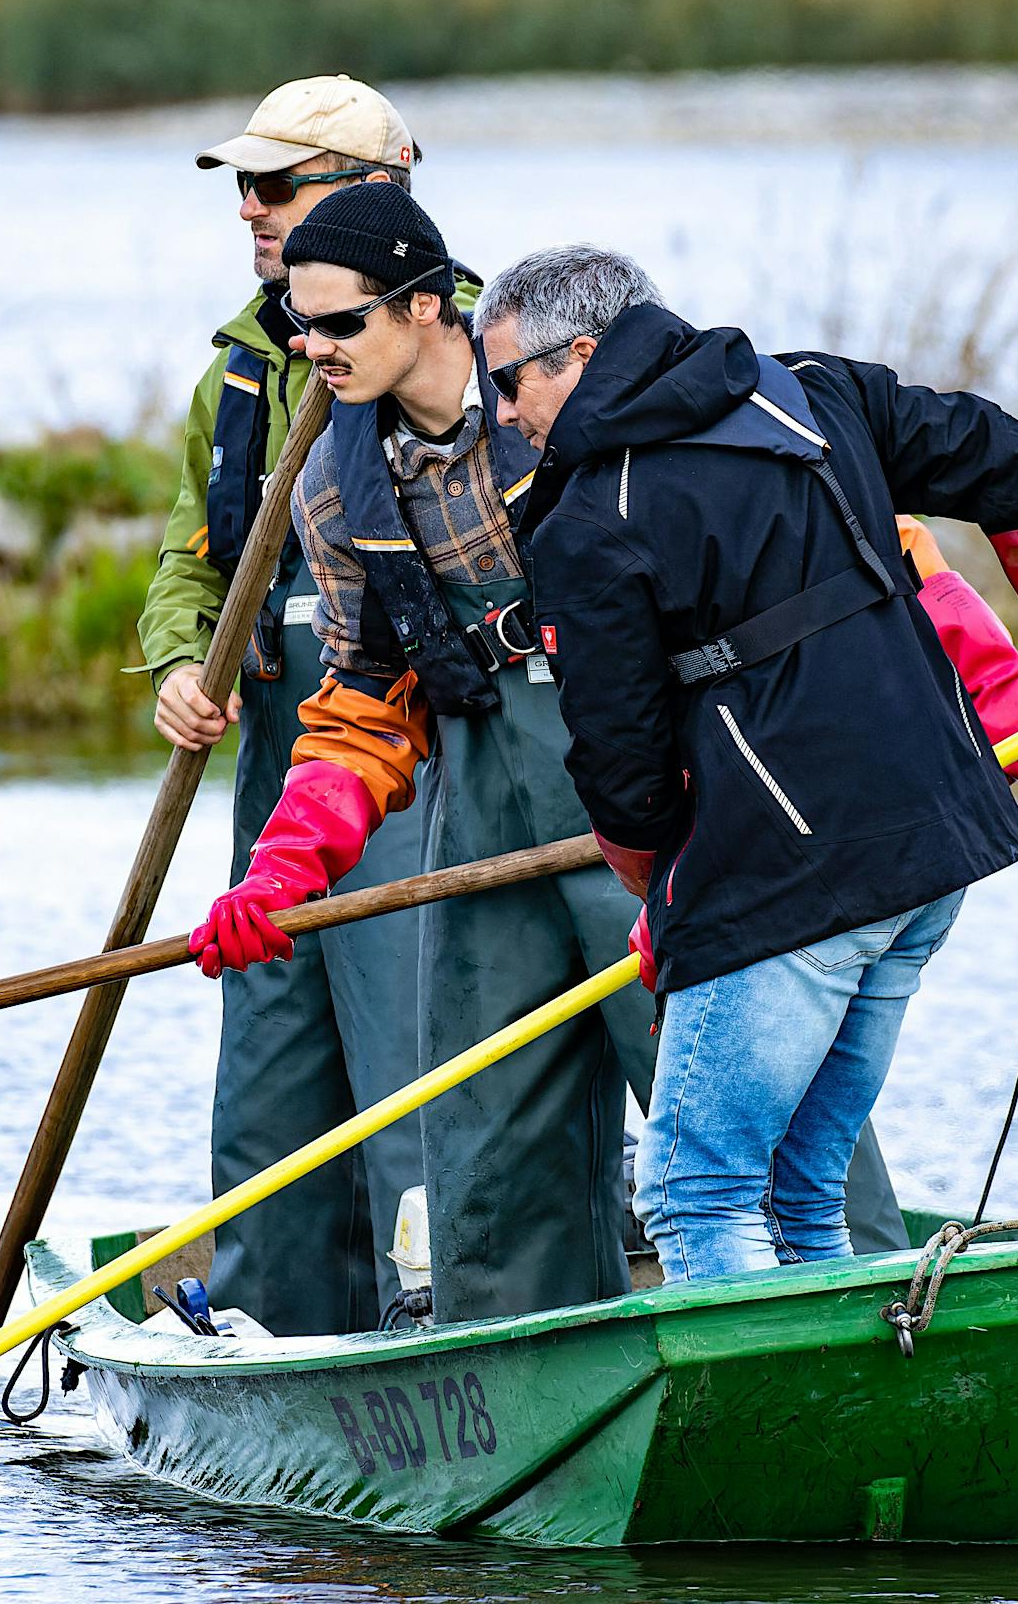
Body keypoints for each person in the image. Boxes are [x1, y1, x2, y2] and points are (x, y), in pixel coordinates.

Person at [185, 188, 947, 1319]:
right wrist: (283, 867)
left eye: (338, 324)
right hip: (479, 800)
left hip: (664, 801)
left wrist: (972, 688)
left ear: (427, 307)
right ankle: (521, 1371)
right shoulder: (335, 483)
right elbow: (359, 702)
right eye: (299, 326)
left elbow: (846, 552)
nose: (313, 349)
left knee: (751, 1112)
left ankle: (868, 1321)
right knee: (487, 1133)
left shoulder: (573, 403)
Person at [486, 242, 1018, 1283]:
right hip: (933, 852)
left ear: (582, 355)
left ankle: (758, 1441)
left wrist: (663, 899)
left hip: (793, 880)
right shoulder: (814, 390)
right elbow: (1017, 465)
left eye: (508, 380)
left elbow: (620, 766)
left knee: (694, 1190)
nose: (504, 413)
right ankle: (837, 1422)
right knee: (798, 1181)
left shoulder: (587, 519)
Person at [137, 76, 461, 1336]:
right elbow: (187, 554)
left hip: (411, 754)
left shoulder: (446, 337)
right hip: (278, 747)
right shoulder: (237, 367)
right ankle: (275, 1326)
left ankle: (429, 1312)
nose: (251, 213)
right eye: (243, 188)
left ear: (377, 184)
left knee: (409, 1044)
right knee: (268, 1037)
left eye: (278, 185)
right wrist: (181, 663)